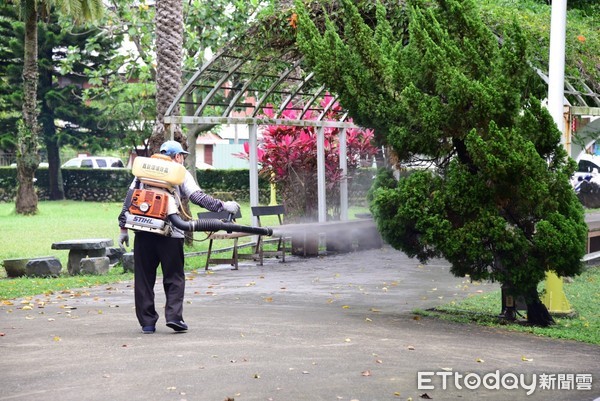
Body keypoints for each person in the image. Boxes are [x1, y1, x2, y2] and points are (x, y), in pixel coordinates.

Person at [118, 140, 240, 334]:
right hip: (172, 233)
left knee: (143, 279)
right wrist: (223, 206)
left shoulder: (145, 170)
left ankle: (147, 323)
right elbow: (198, 197)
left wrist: (123, 229)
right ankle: (174, 317)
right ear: (176, 156)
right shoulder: (179, 172)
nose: (183, 159)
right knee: (174, 276)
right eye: (182, 156)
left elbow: (129, 198)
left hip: (142, 231)